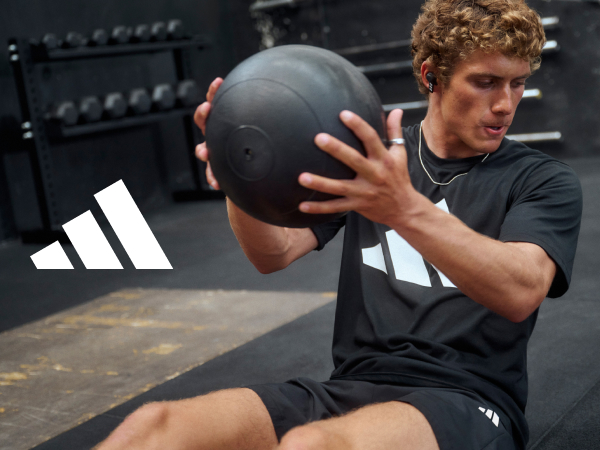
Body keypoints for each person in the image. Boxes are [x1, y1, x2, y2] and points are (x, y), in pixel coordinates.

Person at [96, 0, 582, 449]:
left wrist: (403, 208)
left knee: (311, 447)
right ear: (432, 76)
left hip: (466, 401)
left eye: (516, 83)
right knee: (153, 427)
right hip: (349, 388)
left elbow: (521, 291)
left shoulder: (542, 180)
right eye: (486, 82)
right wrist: (242, 182)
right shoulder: (368, 163)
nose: (505, 103)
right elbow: (273, 254)